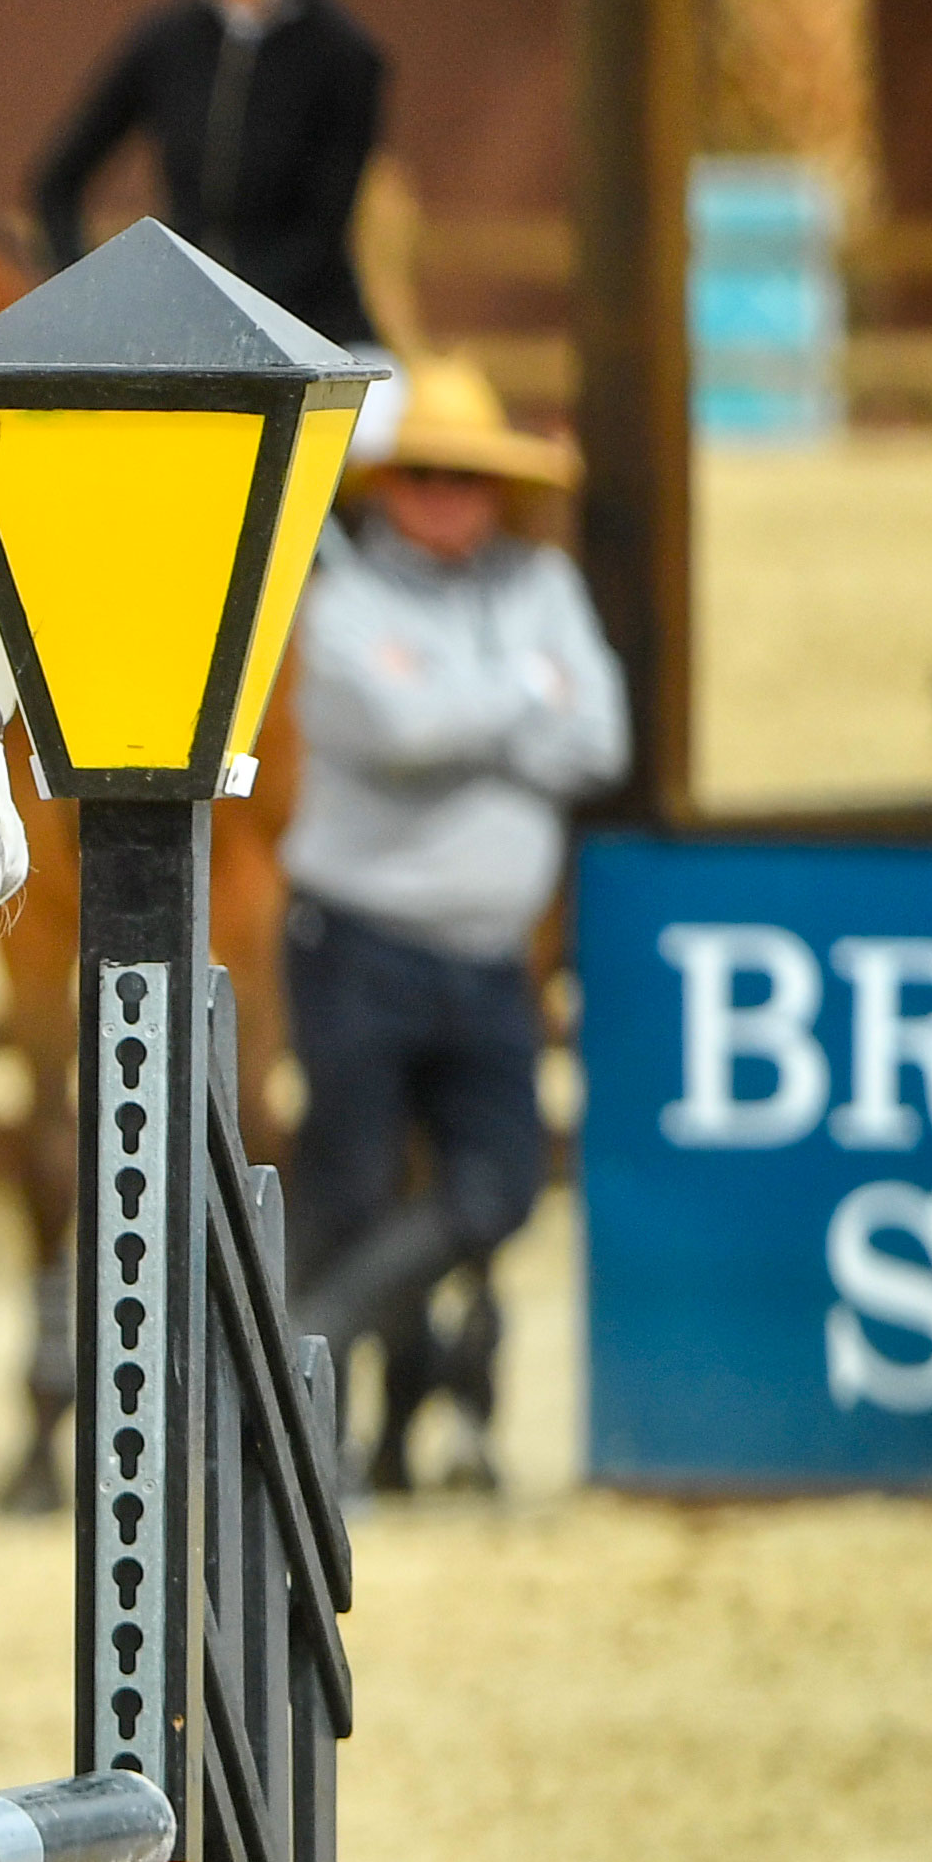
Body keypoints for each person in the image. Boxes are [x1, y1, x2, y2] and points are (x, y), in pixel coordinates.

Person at [272, 359, 629, 1491]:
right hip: (359, 943)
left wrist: (452, 701)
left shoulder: (540, 583)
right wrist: (525, 694)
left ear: (497, 491)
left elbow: (602, 739)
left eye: (464, 477)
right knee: (349, 1190)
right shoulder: (340, 602)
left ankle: (322, 1326)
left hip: (488, 962)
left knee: (500, 1187)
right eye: (422, 474)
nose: (442, 496)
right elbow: (395, 727)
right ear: (388, 486)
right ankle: (323, 1441)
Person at [27, 0, 387, 343]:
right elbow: (57, 183)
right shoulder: (160, 43)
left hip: (317, 331)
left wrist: (227, 313)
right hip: (183, 332)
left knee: (381, 401)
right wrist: (92, 301)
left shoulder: (345, 55)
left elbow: (320, 228)